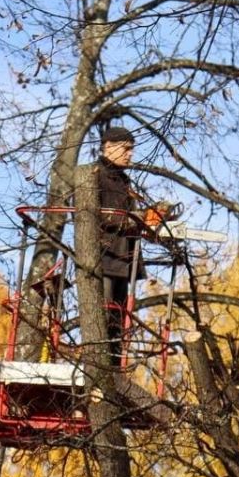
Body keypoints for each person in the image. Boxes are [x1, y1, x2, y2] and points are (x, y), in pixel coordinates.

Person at [93, 126, 145, 364]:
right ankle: (100, 366)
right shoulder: (92, 174)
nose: (130, 154)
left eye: (132, 149)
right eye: (126, 149)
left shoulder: (124, 181)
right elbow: (90, 214)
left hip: (124, 259)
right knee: (102, 317)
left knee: (118, 321)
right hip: (103, 257)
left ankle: (114, 369)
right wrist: (133, 219)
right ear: (108, 147)